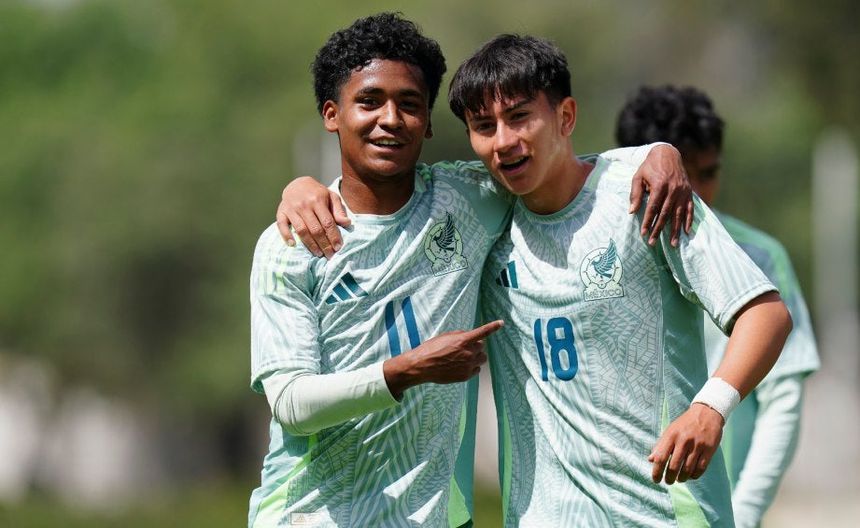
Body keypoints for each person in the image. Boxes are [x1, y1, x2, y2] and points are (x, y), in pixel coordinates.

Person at [249, 14, 690, 528]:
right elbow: (291, 404)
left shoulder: (467, 200)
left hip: (434, 518)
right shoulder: (292, 244)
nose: (390, 119)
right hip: (311, 516)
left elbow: (552, 162)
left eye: (409, 104)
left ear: (429, 122)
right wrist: (406, 370)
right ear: (332, 114)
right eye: (369, 101)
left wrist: (657, 153)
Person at [445, 35, 792, 527]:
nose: (503, 140)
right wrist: (323, 194)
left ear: (566, 116)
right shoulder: (479, 219)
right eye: (484, 126)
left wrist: (711, 407)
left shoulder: (648, 193)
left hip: (666, 512)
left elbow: (765, 313)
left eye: (520, 117)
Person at [616, 85, 820, 528]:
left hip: (715, 513)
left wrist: (744, 513)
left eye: (707, 173)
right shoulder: (603, 259)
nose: (693, 191)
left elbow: (783, 400)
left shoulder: (759, 257)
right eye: (680, 174)